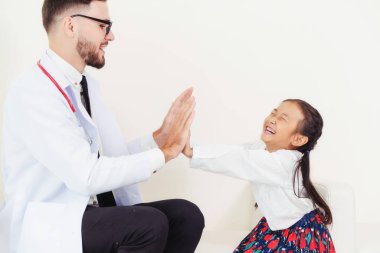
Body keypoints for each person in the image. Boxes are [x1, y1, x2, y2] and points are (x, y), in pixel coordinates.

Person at [0, 0, 204, 253]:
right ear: (71, 25)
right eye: (102, 26)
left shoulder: (85, 86)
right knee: (149, 224)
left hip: (88, 213)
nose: (111, 36)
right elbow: (87, 175)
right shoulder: (34, 93)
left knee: (186, 216)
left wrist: (158, 139)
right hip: (51, 224)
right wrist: (164, 154)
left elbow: (109, 161)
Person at [183, 99, 336, 252]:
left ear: (298, 139)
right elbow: (233, 153)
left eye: (282, 119)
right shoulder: (262, 148)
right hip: (277, 227)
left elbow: (240, 161)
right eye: (273, 113)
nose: (272, 119)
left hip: (298, 235)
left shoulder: (284, 163)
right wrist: (191, 145)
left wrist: (192, 152)